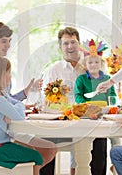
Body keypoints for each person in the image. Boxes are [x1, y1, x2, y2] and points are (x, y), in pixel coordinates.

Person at [0, 55, 57, 175]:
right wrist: (18, 107)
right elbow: (19, 117)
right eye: (8, 73)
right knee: (36, 156)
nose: (10, 76)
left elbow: (14, 106)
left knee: (38, 151)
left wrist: (15, 106)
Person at [42, 27, 85, 175]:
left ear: (79, 44)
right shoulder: (54, 70)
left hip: (85, 123)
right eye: (66, 43)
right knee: (44, 138)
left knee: (99, 140)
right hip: (60, 124)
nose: (70, 47)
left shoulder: (89, 68)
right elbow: (46, 101)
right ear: (60, 47)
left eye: (73, 42)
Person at [74, 39, 117, 175]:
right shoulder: (81, 79)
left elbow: (113, 96)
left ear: (101, 63)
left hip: (102, 117)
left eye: (96, 62)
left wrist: (110, 103)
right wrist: (87, 105)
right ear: (85, 64)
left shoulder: (107, 79)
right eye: (90, 62)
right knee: (85, 148)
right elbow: (78, 96)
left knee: (100, 146)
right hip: (86, 117)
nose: (93, 65)